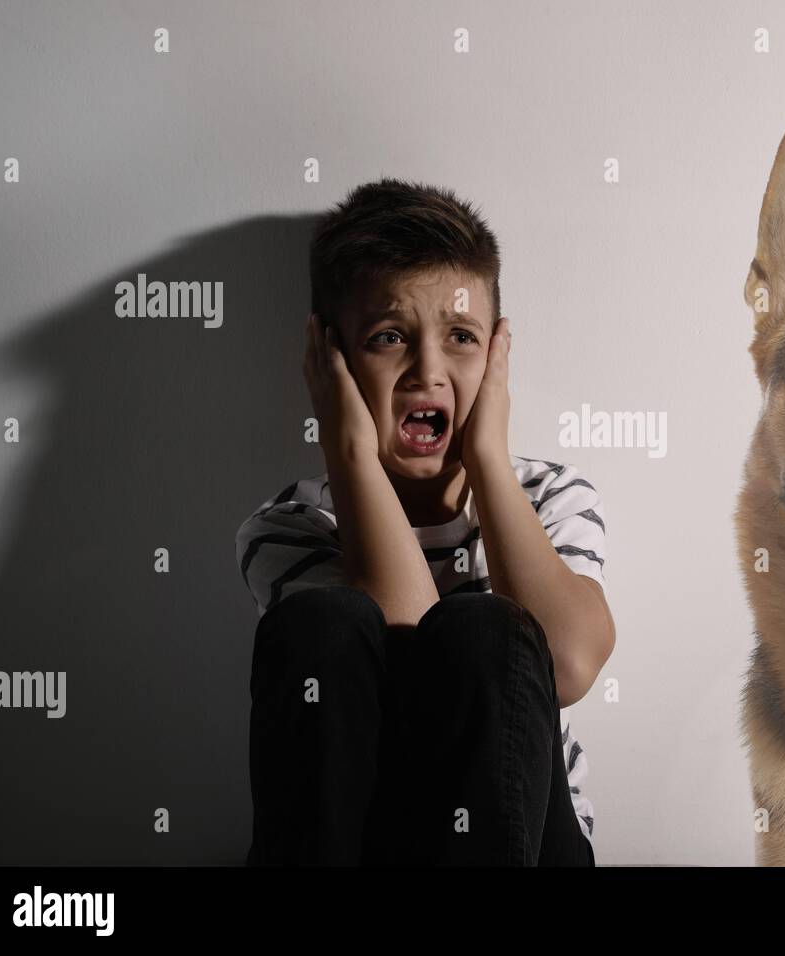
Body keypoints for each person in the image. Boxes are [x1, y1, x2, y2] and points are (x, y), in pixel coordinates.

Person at [234, 179, 614, 866]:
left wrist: (489, 459)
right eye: (388, 338)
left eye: (461, 338)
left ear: (497, 356)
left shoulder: (550, 494)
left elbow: (570, 665)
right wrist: (349, 448)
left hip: (523, 844)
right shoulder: (292, 526)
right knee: (322, 621)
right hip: (367, 843)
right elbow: (410, 673)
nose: (428, 372)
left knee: (489, 630)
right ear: (332, 362)